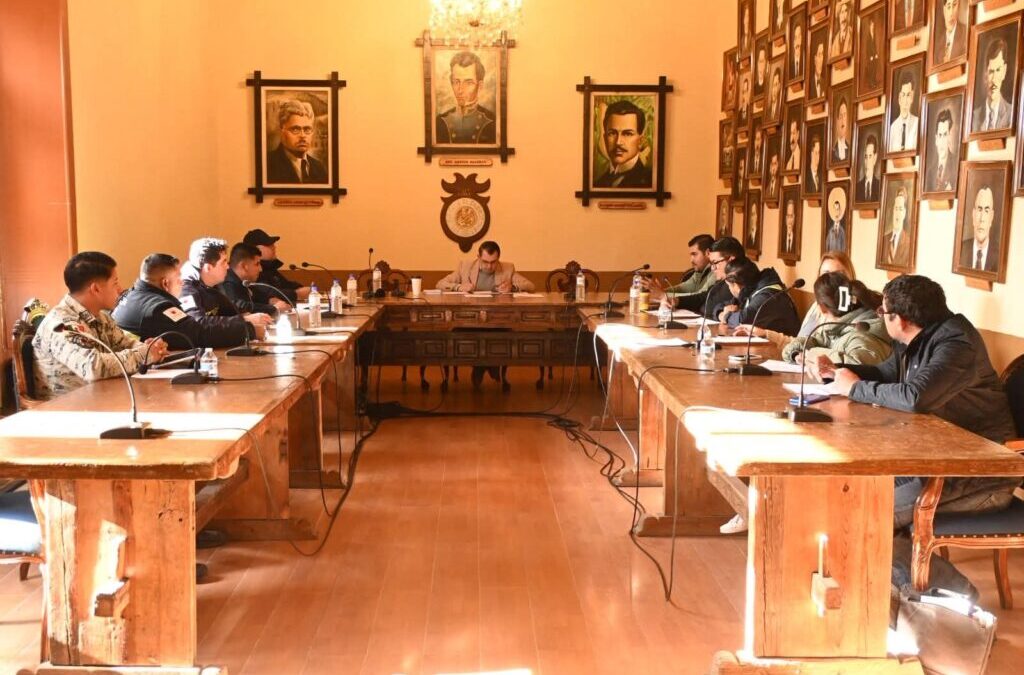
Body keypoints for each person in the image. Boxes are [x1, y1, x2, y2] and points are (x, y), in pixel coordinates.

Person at [820, 274, 1020, 528]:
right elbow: (885, 373)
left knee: (866, 511)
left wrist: (855, 388)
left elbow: (916, 397)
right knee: (854, 488)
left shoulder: (958, 344)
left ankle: (884, 553)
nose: (880, 316)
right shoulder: (914, 338)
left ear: (900, 320)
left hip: (978, 473)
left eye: (882, 311)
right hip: (932, 458)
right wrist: (837, 371)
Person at [32, 251, 168, 401]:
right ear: (95, 289)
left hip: (103, 399)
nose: (120, 289)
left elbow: (124, 344)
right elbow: (92, 367)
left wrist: (151, 348)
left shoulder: (101, 317)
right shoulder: (61, 324)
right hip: (68, 408)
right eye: (115, 283)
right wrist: (145, 355)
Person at [112, 253, 257, 350]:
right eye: (178, 278)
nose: (182, 283)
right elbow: (198, 334)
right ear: (165, 283)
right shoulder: (157, 308)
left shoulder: (130, 296)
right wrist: (249, 330)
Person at [737, 251, 857, 345]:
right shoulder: (816, 306)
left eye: (839, 274)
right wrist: (764, 334)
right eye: (826, 274)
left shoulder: (854, 312)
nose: (832, 280)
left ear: (850, 277)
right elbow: (798, 343)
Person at [781, 272, 891, 367]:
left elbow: (857, 367)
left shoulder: (862, 334)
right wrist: (796, 353)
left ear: (821, 309)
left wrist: (811, 354)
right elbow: (816, 340)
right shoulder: (835, 329)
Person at [180, 238, 273, 336]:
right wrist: (245, 322)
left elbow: (231, 311)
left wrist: (249, 316)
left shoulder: (212, 285)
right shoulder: (186, 289)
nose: (228, 266)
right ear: (208, 268)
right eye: (223, 262)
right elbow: (198, 323)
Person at [717, 258, 800, 335]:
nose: (729, 289)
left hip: (781, 345)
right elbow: (722, 306)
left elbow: (743, 320)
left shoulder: (768, 297)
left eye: (729, 286)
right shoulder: (751, 289)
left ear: (736, 285)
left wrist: (725, 316)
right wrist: (721, 313)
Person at [436, 51, 496, 144]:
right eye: (456, 82)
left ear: (480, 86)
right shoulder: (440, 121)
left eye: (468, 83)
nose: (460, 90)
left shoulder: (492, 121)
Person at [678, 236, 746, 315]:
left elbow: (708, 308)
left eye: (715, 263)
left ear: (731, 260)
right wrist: (677, 301)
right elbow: (704, 297)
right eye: (711, 264)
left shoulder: (739, 283)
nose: (713, 269)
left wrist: (719, 313)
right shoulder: (723, 281)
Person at [266, 100, 328, 184]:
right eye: (295, 129)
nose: (302, 135)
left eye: (307, 129)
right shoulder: (268, 164)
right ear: (281, 131)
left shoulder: (319, 168)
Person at [436, 240, 535, 293]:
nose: (489, 266)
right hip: (471, 309)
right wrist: (459, 287)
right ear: (478, 257)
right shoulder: (465, 266)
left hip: (497, 310)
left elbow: (530, 285)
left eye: (493, 262)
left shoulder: (508, 268)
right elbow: (440, 284)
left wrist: (512, 287)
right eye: (485, 262)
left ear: (498, 258)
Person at [594, 100, 652, 188]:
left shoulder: (649, 181)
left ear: (640, 141)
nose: (618, 142)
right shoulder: (597, 184)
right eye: (612, 133)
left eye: (627, 134)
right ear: (605, 138)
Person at [645, 234, 717, 305]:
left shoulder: (716, 270)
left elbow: (699, 296)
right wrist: (661, 291)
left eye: (694, 254)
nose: (691, 260)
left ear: (707, 253)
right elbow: (683, 288)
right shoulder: (700, 270)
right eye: (691, 255)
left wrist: (663, 295)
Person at [243, 228, 311, 303]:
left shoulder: (269, 267)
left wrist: (301, 288)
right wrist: (296, 294)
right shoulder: (252, 270)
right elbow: (266, 292)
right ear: (257, 249)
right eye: (269, 245)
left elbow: (285, 284)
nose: (274, 247)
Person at [220, 243, 286, 317]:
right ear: (244, 266)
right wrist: (274, 308)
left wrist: (269, 300)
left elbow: (257, 295)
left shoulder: (244, 281)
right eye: (257, 264)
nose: (260, 269)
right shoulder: (227, 283)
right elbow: (239, 306)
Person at [972, 38, 1012, 133]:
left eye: (998, 70)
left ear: (1004, 71)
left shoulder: (1012, 113)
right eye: (991, 71)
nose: (994, 79)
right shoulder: (973, 117)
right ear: (985, 74)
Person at [958, 185, 1000, 272]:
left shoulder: (999, 254)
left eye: (986, 211)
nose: (982, 219)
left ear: (991, 217)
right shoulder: (961, 249)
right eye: (979, 210)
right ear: (973, 214)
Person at [926, 108, 958, 192]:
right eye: (940, 135)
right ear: (936, 139)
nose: (942, 141)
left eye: (945, 135)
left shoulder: (956, 166)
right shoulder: (930, 172)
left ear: (949, 136)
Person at [888, 71, 920, 152]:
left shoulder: (917, 123)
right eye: (903, 95)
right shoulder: (893, 128)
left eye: (908, 95)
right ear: (899, 98)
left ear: (912, 98)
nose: (905, 100)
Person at [883, 187, 913, 267]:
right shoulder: (884, 239)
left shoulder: (909, 243)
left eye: (900, 209)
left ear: (904, 213)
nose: (897, 213)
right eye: (896, 208)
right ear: (893, 211)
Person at [933, 0, 967, 66]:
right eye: (948, 7)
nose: (951, 13)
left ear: (959, 7)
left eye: (954, 5)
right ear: (944, 10)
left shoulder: (965, 33)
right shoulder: (938, 43)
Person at [856, 133, 881, 202]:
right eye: (865, 157)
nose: (867, 162)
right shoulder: (857, 187)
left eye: (870, 156)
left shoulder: (880, 186)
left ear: (875, 158)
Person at [862, 13, 882, 90]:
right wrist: (870, 56)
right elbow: (867, 48)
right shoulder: (868, 36)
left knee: (874, 69)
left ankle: (873, 82)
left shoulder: (874, 34)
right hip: (870, 57)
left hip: (874, 56)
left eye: (874, 26)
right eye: (872, 26)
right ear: (870, 26)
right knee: (870, 70)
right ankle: (871, 83)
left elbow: (875, 46)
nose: (873, 27)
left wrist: (876, 54)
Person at [831, 97, 850, 162]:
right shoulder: (832, 151)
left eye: (844, 115)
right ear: (837, 121)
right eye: (841, 116)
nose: (843, 120)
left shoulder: (851, 150)